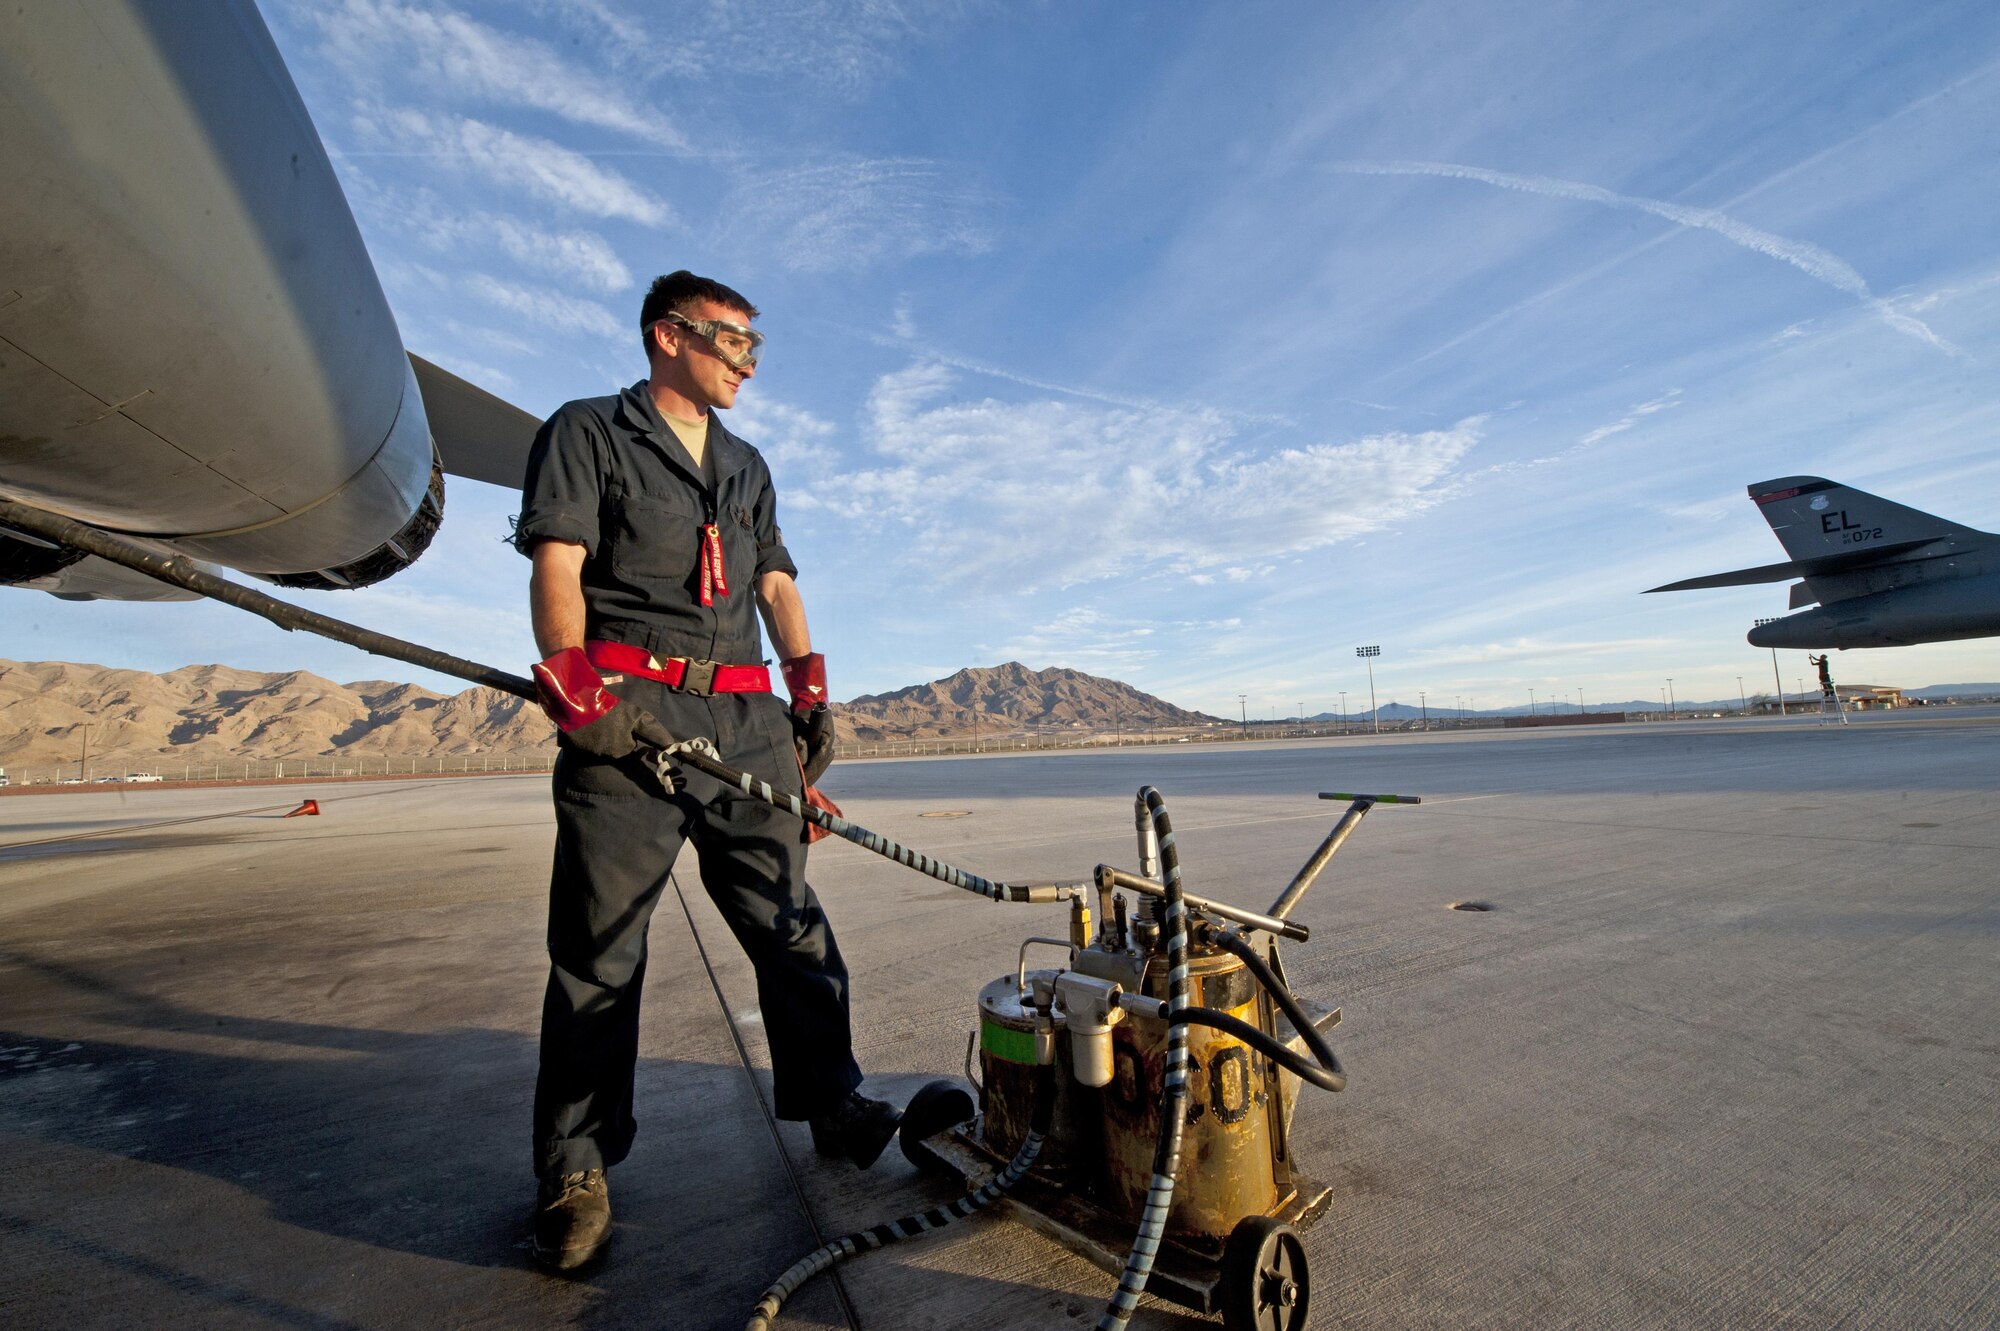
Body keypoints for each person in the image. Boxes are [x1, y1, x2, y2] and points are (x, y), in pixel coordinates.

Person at [513, 270, 897, 1272]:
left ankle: (831, 1096)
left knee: (789, 921)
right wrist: (572, 684)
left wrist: (808, 695)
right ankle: (575, 1166)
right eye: (733, 340)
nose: (748, 360)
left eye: (753, 345)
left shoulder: (746, 463)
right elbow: (556, 562)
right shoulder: (587, 430)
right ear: (666, 336)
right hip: (630, 712)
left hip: (745, 715)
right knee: (598, 950)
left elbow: (772, 579)